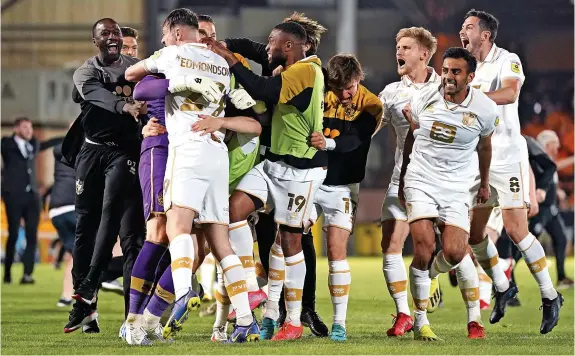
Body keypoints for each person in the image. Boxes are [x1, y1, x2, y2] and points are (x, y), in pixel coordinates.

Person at [125, 8, 261, 343]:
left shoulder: (171, 53)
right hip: (217, 155)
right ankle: (245, 320)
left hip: (185, 150)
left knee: (175, 226)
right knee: (220, 239)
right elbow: (253, 111)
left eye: (164, 34)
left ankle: (183, 290)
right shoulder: (222, 64)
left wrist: (177, 78)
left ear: (174, 32)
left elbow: (132, 75)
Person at [203, 20, 326, 341]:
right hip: (274, 163)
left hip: (301, 169)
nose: (266, 46)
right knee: (232, 211)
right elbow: (254, 52)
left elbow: (262, 90)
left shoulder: (307, 70)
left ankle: (295, 320)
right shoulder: (289, 64)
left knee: (290, 241)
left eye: (272, 41)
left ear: (288, 46)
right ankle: (254, 288)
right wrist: (218, 45)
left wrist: (229, 59)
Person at [460, 9, 562, 333]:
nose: (462, 31)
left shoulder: (507, 59)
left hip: (507, 157)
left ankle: (549, 295)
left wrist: (471, 99)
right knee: (474, 236)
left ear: (485, 35)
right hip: (478, 162)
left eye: (469, 27)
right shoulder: (466, 70)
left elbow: (510, 93)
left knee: (516, 230)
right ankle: (504, 286)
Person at [400, 47, 497, 341]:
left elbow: (485, 146)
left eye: (455, 72)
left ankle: (435, 282)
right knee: (424, 247)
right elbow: (412, 136)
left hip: (456, 185)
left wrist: (484, 183)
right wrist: (404, 174)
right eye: (445, 70)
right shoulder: (424, 97)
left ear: (470, 76)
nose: (448, 77)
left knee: (455, 251)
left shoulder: (484, 108)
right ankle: (420, 321)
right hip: (421, 179)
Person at [63, 17, 145, 333]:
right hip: (91, 152)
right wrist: (125, 107)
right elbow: (92, 96)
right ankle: (87, 309)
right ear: (95, 41)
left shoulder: (137, 69)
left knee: (125, 229)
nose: (112, 37)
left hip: (126, 153)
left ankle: (131, 316)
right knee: (85, 227)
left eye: (116, 33)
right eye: (105, 34)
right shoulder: (86, 72)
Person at [304, 54, 382, 341]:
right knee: (286, 240)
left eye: (349, 87)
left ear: (359, 78)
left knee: (337, 250)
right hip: (311, 178)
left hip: (344, 185)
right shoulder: (319, 92)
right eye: (338, 89)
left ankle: (339, 323)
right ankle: (280, 315)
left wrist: (329, 142)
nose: (344, 94)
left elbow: (356, 140)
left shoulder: (371, 104)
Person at [1, 117, 59, 285]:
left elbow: (48, 143)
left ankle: (27, 274)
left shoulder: (33, 144)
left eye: (31, 127)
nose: (29, 130)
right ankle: (7, 273)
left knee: (32, 235)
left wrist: (72, 133)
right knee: (12, 234)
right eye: (26, 127)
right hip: (14, 195)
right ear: (17, 128)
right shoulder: (7, 144)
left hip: (33, 196)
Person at [49, 136, 76, 309]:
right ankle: (108, 277)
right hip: (71, 207)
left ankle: (66, 297)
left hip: (55, 211)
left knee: (76, 255)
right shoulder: (80, 149)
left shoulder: (60, 151)